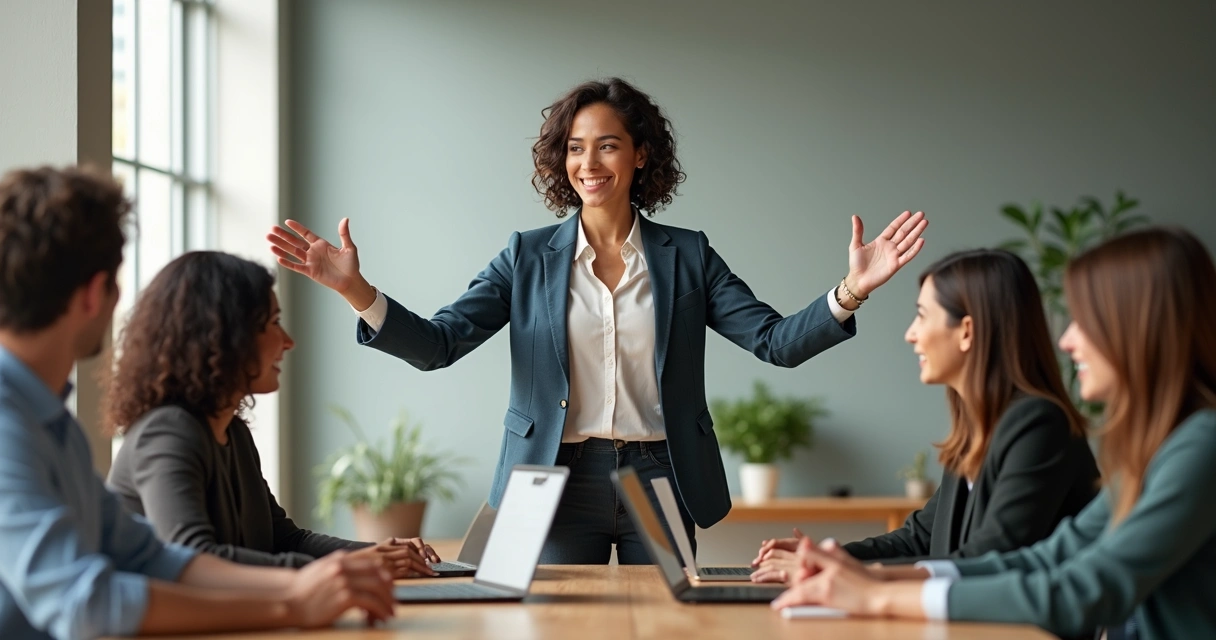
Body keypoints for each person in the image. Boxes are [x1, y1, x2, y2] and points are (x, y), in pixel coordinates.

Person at [268, 77, 928, 564]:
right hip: (549, 479)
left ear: (640, 155)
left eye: (607, 146)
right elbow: (439, 344)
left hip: (660, 475)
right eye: (576, 148)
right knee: (546, 628)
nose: (589, 164)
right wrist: (357, 290)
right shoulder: (525, 257)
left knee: (669, 627)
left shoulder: (688, 256)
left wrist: (851, 289)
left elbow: (773, 342)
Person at [0, 166, 394, 639]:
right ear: (92, 295)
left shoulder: (47, 421)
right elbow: (88, 605)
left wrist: (312, 584)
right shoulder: (11, 426)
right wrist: (291, 604)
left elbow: (153, 558)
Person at [771, 227, 1216, 640]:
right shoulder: (1159, 449)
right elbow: (1046, 558)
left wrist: (875, 594)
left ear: (1138, 328)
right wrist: (862, 574)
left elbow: (1083, 589)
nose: (1068, 340)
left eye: (1086, 320)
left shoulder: (1201, 446)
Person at [751, 249, 1099, 583]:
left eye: (921, 315)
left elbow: (989, 558)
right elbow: (919, 539)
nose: (911, 334)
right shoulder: (977, 427)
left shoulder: (1039, 424)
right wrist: (829, 557)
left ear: (966, 331)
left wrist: (846, 573)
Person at [105, 251, 442, 578]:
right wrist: (351, 567)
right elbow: (194, 558)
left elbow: (284, 540)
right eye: (273, 323)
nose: (288, 341)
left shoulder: (232, 431)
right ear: (221, 337)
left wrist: (378, 554)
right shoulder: (167, 433)